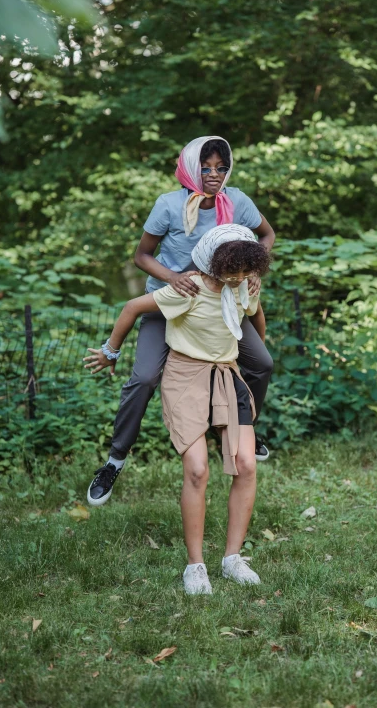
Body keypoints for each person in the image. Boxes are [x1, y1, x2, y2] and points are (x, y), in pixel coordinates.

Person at [85, 135, 275, 506]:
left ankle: (247, 429)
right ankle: (114, 460)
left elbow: (266, 235)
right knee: (143, 378)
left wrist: (254, 269)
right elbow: (142, 255)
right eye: (206, 168)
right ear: (191, 167)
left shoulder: (237, 201)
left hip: (221, 302)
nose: (214, 174)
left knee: (263, 363)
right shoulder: (169, 205)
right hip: (171, 300)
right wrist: (172, 276)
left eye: (221, 167)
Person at [84, 225, 270, 594]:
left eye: (246, 271)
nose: (239, 277)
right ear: (214, 263)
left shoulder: (243, 287)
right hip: (186, 377)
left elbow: (256, 316)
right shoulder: (190, 288)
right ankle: (195, 566)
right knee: (198, 469)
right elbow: (133, 307)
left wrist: (255, 351)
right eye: (233, 270)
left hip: (227, 375)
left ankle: (233, 559)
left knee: (246, 464)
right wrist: (110, 351)